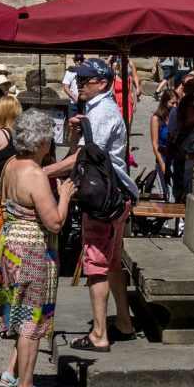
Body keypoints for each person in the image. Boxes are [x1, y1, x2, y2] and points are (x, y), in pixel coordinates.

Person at [46, 58, 139, 353]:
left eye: (85, 81)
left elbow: (85, 158)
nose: (79, 85)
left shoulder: (101, 113)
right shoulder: (95, 111)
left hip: (103, 199)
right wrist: (76, 131)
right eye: (79, 80)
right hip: (115, 194)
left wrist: (41, 173)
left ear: (102, 83)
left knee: (96, 264)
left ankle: (99, 333)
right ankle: (124, 322)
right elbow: (81, 150)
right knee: (110, 264)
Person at [0, 109, 75, 387]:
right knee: (32, 321)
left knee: (22, 314)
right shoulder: (35, 175)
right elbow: (54, 222)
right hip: (32, 250)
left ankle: (13, 376)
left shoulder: (12, 165)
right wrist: (64, 196)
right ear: (41, 141)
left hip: (9, 244)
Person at [149, 94, 177, 202]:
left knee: (176, 194)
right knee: (166, 194)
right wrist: (162, 165)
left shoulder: (177, 117)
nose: (175, 105)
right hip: (163, 159)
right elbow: (155, 144)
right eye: (172, 103)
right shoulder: (156, 119)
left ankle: (179, 219)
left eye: (176, 103)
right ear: (165, 103)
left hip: (176, 160)